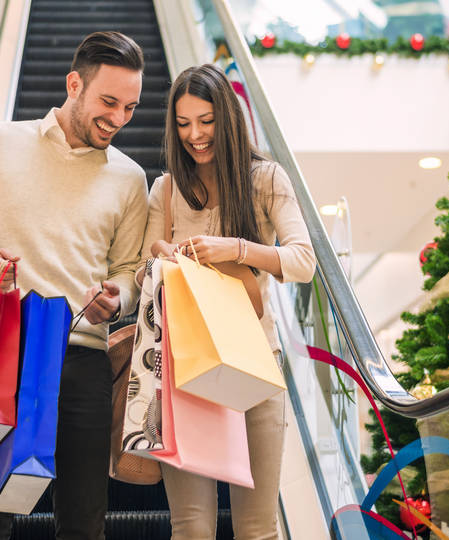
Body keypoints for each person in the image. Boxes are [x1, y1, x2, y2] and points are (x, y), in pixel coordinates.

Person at [0, 31, 148, 540]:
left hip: (84, 362)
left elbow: (129, 268)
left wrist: (119, 297)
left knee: (83, 524)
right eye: (108, 102)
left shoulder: (130, 178)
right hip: (0, 353)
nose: (118, 119)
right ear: (74, 84)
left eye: (131, 108)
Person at [139, 64, 316, 539]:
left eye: (206, 120)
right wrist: (163, 255)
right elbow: (143, 273)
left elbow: (303, 262)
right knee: (191, 527)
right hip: (184, 369)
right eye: (183, 123)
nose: (195, 135)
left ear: (229, 118)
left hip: (256, 362)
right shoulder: (167, 188)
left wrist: (235, 249)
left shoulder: (265, 179)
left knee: (257, 528)